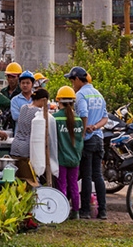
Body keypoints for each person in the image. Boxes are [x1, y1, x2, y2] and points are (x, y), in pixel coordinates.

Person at [67, 66, 108, 220]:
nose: (72, 85)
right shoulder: (98, 94)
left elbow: (83, 113)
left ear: (78, 79)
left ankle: (84, 210)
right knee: (98, 175)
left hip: (88, 141)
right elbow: (105, 118)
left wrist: (83, 132)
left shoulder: (80, 95)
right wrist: (95, 127)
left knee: (86, 175)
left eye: (72, 81)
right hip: (99, 138)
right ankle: (102, 211)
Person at [9, 88, 57, 184]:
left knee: (17, 179)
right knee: (28, 180)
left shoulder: (23, 107)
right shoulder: (38, 113)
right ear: (43, 100)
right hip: (27, 149)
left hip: (15, 146)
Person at [54, 86, 83, 219]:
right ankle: (76, 212)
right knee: (74, 186)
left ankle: (62, 212)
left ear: (58, 101)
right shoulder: (78, 120)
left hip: (61, 158)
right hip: (75, 158)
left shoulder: (55, 118)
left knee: (62, 186)